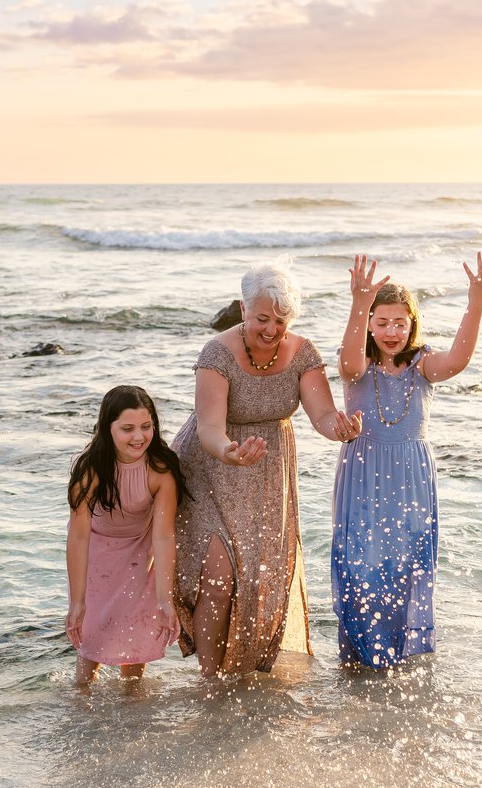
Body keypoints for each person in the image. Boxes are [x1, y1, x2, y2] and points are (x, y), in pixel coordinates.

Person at [173, 264, 362, 679]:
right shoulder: (217, 353)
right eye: (262, 318)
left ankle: (238, 671)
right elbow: (208, 429)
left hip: (267, 476)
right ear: (243, 309)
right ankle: (210, 679)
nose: (272, 329)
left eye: (281, 320)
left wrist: (341, 429)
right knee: (218, 580)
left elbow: (324, 416)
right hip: (210, 470)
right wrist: (229, 452)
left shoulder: (302, 353)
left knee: (258, 583)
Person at [332, 252, 482, 669]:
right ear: (369, 324)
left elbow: (458, 361)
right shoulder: (359, 363)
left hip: (410, 476)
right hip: (363, 473)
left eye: (400, 322)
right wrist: (359, 300)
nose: (391, 331)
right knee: (362, 564)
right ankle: (359, 656)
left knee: (405, 564)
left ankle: (398, 658)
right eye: (382, 321)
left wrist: (476, 301)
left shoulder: (422, 364)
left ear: (412, 324)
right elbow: (349, 361)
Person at [65, 385, 183, 686]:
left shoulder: (160, 471)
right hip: (96, 553)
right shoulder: (91, 470)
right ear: (108, 428)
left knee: (135, 634)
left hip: (140, 555)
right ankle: (80, 698)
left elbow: (164, 537)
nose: (139, 436)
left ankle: (131, 705)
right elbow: (78, 537)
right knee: (93, 633)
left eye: (146, 427)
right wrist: (76, 601)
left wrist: (165, 599)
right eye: (127, 428)